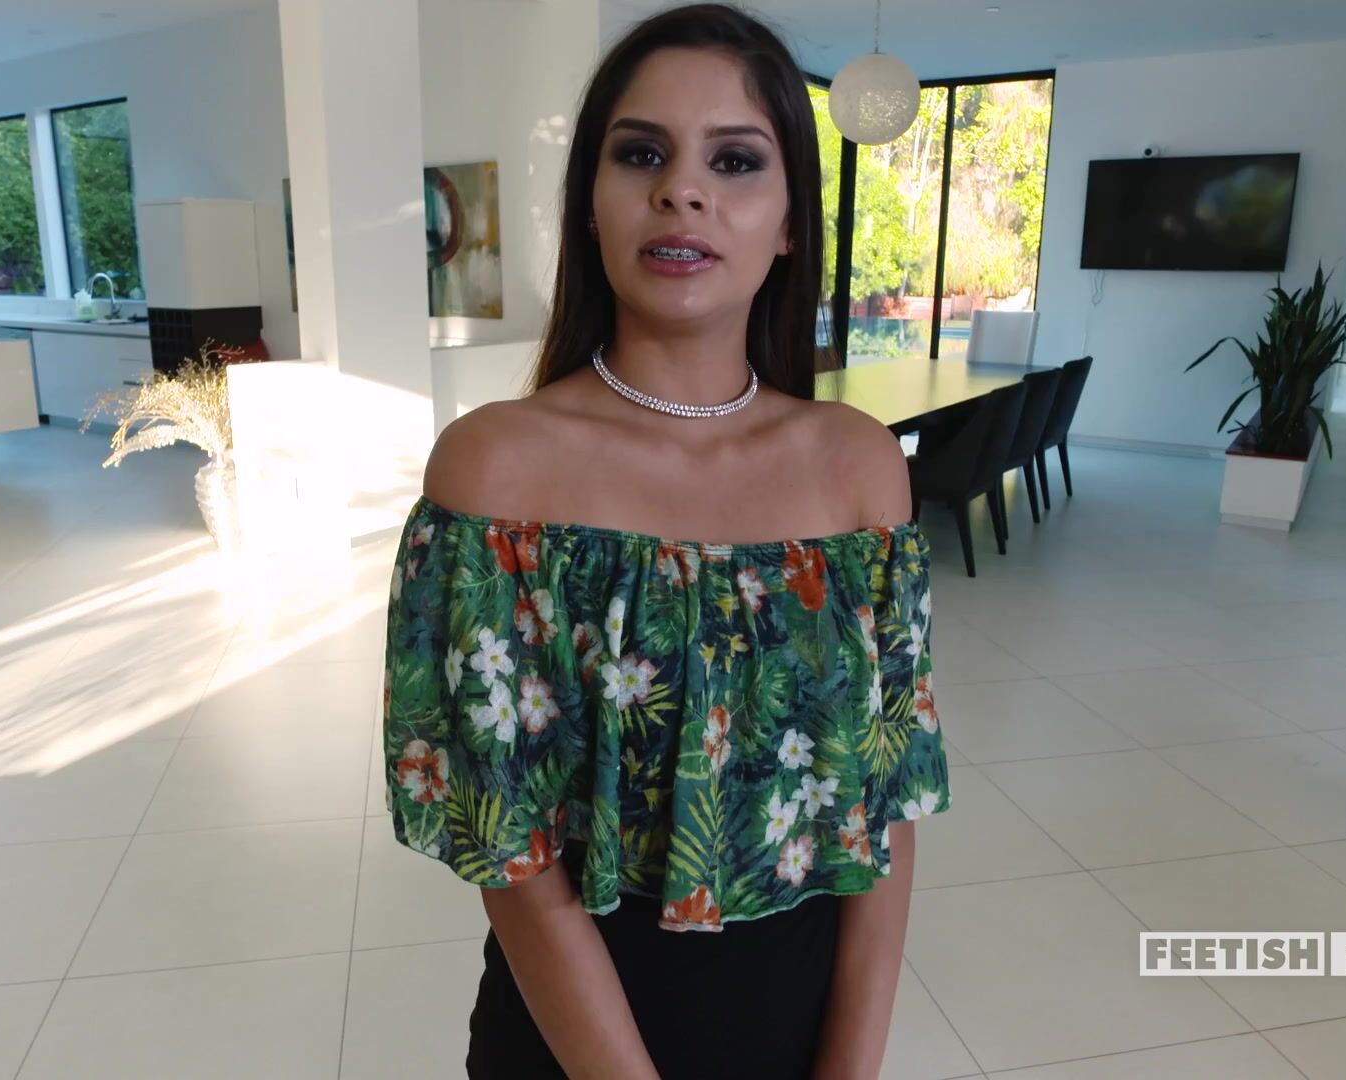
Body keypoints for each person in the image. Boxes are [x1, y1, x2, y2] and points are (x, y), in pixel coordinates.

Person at [380, 5, 951, 1076]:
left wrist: (849, 1069)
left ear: (791, 221)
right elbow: (512, 853)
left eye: (735, 161)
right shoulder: (495, 472)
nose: (682, 190)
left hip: (800, 1028)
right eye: (641, 153)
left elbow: (888, 802)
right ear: (589, 205)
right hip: (571, 1044)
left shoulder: (858, 467)